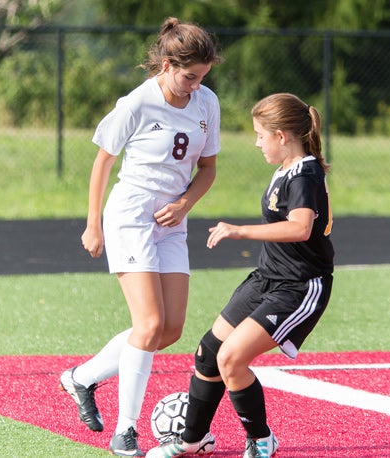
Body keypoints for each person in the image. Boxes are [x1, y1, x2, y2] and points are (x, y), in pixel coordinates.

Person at [59, 17, 222, 457]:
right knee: (148, 325)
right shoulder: (137, 103)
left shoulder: (206, 102)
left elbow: (207, 169)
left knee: (168, 330)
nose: (195, 86)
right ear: (168, 65)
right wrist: (93, 224)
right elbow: (102, 163)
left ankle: (80, 378)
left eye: (203, 77)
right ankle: (124, 431)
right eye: (189, 77)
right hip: (130, 216)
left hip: (172, 221)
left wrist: (185, 203)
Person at [146, 93, 334, 458]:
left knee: (231, 359)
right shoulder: (287, 169)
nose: (257, 142)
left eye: (261, 135)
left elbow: (300, 229)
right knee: (208, 353)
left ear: (282, 136)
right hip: (267, 279)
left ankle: (262, 441)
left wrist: (239, 231)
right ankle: (192, 440)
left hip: (299, 286)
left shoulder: (305, 174)